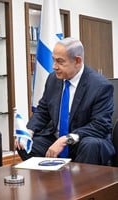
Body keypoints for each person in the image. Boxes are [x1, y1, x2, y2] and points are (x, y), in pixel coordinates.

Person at [17, 37, 115, 165]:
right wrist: (28, 131)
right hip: (55, 138)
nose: (54, 66)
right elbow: (43, 111)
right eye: (53, 60)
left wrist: (66, 139)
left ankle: (82, 184)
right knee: (24, 144)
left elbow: (100, 125)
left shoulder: (100, 86)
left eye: (60, 62)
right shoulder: (53, 79)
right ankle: (51, 181)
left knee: (91, 145)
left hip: (83, 140)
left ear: (77, 61)